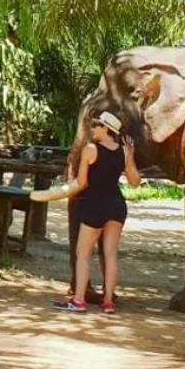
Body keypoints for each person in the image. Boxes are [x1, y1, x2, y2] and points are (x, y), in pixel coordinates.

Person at [53, 110, 140, 314]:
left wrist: (67, 184)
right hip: (117, 205)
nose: (92, 129)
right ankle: (109, 302)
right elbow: (135, 181)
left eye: (96, 125)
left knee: (83, 253)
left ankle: (79, 301)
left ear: (106, 129)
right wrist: (131, 157)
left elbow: (82, 182)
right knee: (110, 255)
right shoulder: (124, 151)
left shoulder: (90, 150)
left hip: (95, 205)